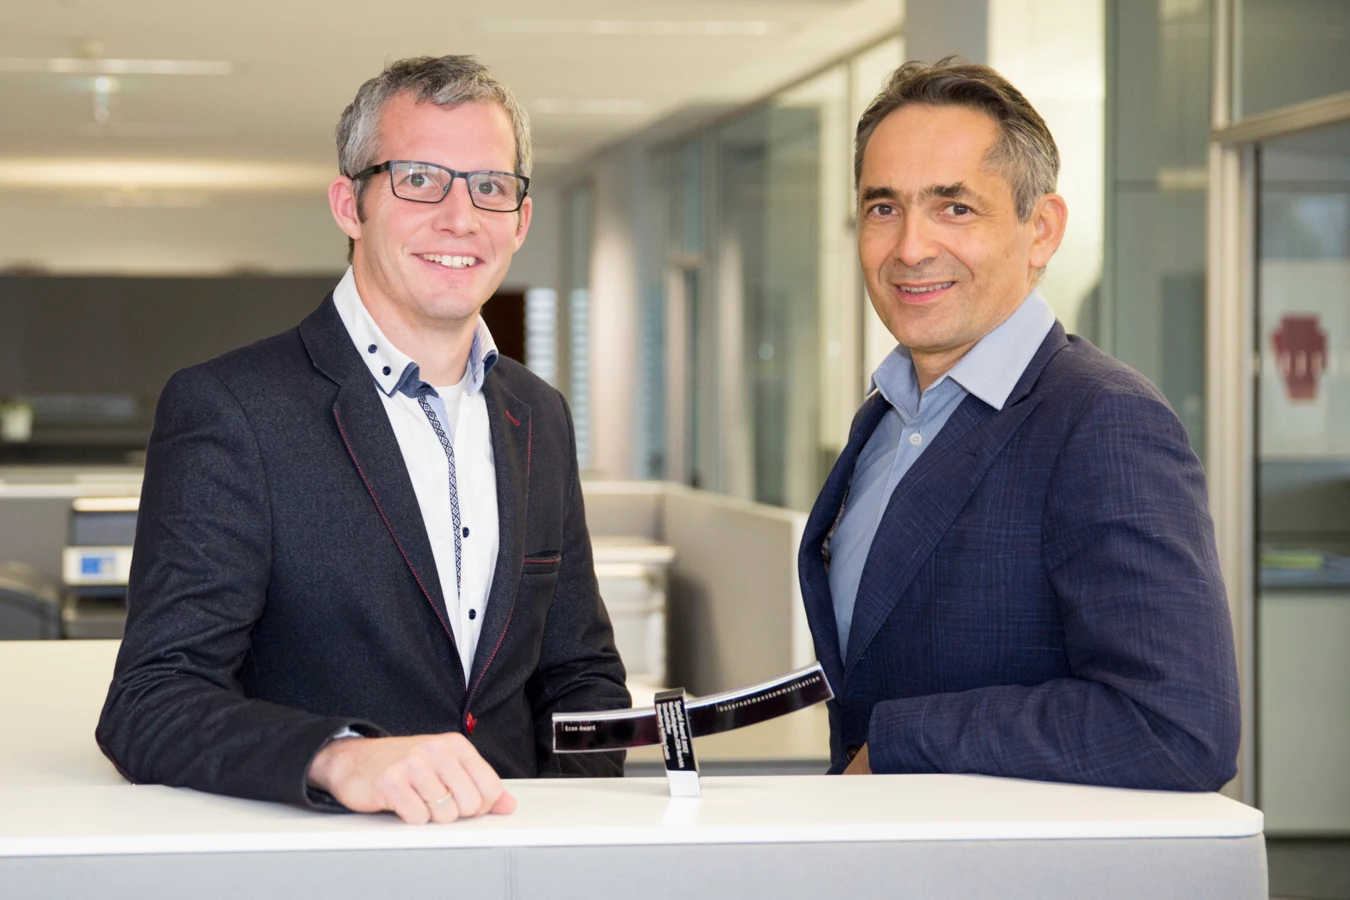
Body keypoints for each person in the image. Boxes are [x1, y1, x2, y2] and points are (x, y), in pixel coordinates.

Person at [97, 55, 629, 824]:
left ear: (521, 217)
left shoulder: (537, 413)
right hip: (323, 863)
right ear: (350, 203)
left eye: (490, 186)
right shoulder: (231, 408)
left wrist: (572, 833)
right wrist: (340, 756)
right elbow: (151, 701)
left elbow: (580, 674)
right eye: (419, 179)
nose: (461, 217)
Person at [798, 58, 1239, 790]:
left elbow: (1178, 727)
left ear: (1041, 230)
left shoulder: (1102, 420)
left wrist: (898, 744)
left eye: (955, 208)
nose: (909, 248)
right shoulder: (886, 417)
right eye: (883, 208)